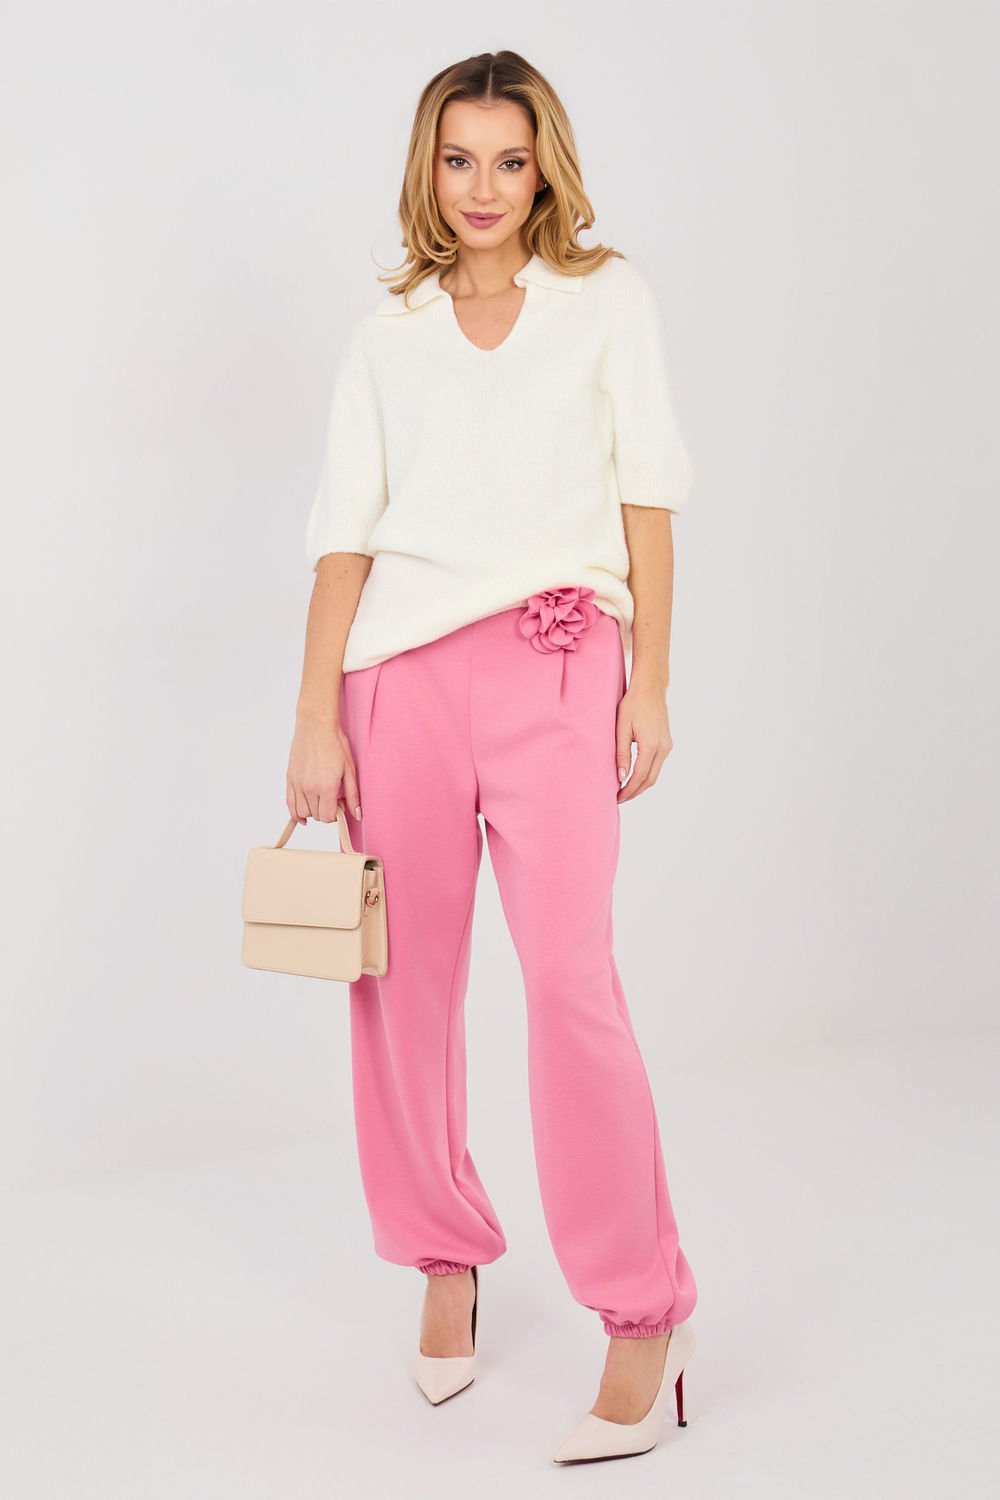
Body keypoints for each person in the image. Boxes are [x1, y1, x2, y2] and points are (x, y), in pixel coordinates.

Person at [287, 50, 699, 1463]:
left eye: (509, 162)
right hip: (396, 683)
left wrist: (651, 683)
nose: (482, 189)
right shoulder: (387, 334)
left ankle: (643, 1312)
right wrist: (314, 716)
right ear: (429, 168)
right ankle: (444, 1254)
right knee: (402, 988)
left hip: (559, 664)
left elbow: (649, 496)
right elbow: (344, 537)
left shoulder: (606, 302)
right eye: (458, 160)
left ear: (544, 170)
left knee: (570, 982)